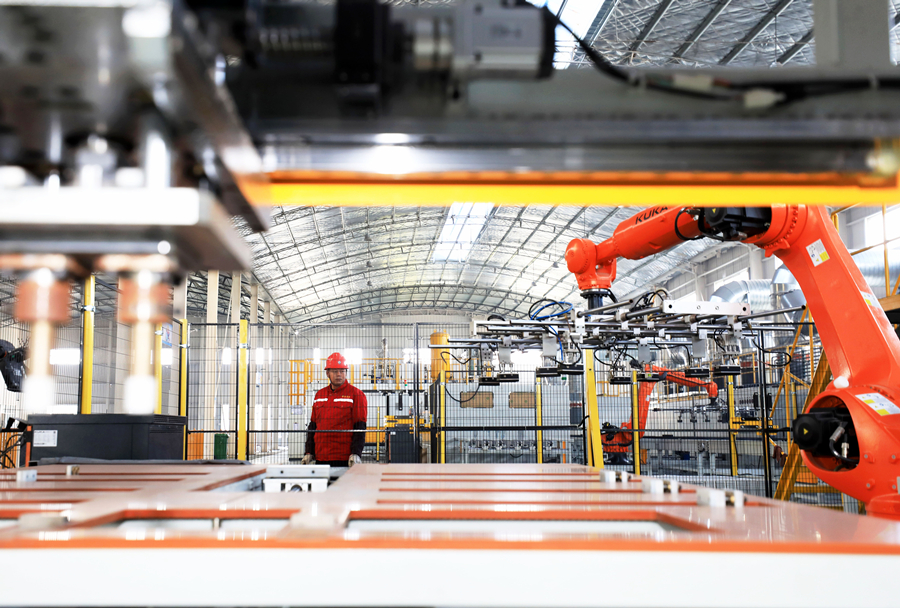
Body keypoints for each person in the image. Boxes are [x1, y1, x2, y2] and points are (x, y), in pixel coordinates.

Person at [300, 352, 368, 467]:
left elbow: (360, 427)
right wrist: (309, 452)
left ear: (346, 373)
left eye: (342, 371)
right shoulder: (319, 395)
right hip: (321, 456)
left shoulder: (356, 395)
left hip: (344, 458)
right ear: (327, 373)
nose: (339, 374)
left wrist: (356, 453)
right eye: (335, 371)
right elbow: (313, 426)